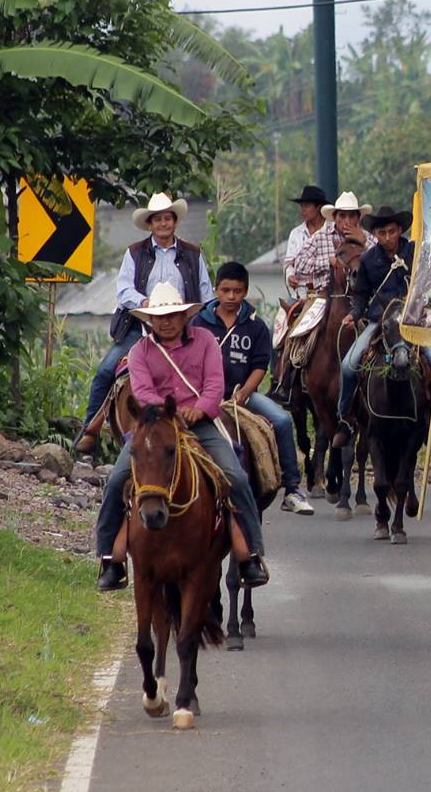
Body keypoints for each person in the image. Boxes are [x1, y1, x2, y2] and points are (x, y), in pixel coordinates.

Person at [94, 282, 268, 592]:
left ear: (184, 316)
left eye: (173, 315)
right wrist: (169, 413)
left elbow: (216, 386)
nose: (166, 321)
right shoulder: (139, 352)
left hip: (200, 423)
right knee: (118, 479)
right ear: (150, 320)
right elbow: (143, 393)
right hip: (155, 427)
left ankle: (250, 556)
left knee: (236, 477)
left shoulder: (205, 342)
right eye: (159, 317)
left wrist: (198, 410)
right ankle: (110, 559)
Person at [76, 192, 212, 454]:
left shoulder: (193, 254)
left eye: (167, 218)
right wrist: (145, 304)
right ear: (150, 224)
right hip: (140, 328)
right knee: (106, 370)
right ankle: (89, 431)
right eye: (158, 219)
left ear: (175, 222)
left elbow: (206, 294)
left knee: (210, 370)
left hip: (182, 329)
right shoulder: (135, 253)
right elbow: (124, 290)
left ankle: (214, 425)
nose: (163, 224)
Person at [195, 262, 313, 515]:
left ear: (246, 291)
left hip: (242, 395)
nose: (231, 296)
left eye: (237, 291)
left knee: (282, 421)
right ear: (215, 290)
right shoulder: (197, 323)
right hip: (203, 397)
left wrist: (244, 394)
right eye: (225, 290)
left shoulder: (256, 325)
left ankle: (292, 488)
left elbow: (260, 366)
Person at [330, 205, 413, 446]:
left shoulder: (414, 252)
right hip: (379, 321)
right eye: (382, 233)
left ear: (399, 230)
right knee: (349, 365)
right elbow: (361, 295)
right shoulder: (368, 259)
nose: (387, 238)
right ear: (375, 234)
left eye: (391, 232)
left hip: (411, 322)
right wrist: (354, 315)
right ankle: (344, 418)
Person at [281, 184, 330, 280]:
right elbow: (289, 262)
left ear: (319, 207)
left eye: (307, 206)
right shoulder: (296, 233)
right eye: (302, 206)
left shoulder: (332, 231)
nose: (303, 210)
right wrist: (290, 276)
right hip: (301, 290)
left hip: (328, 291)